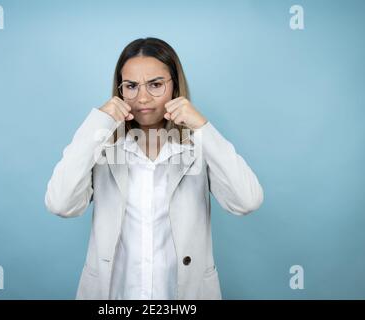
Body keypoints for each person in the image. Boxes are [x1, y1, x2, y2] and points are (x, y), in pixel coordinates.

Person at [44, 37, 264, 300]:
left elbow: (247, 201)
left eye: (156, 85)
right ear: (120, 90)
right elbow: (60, 204)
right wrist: (98, 123)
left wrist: (203, 128)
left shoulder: (200, 146)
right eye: (131, 86)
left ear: (174, 87)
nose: (143, 98)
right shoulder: (102, 147)